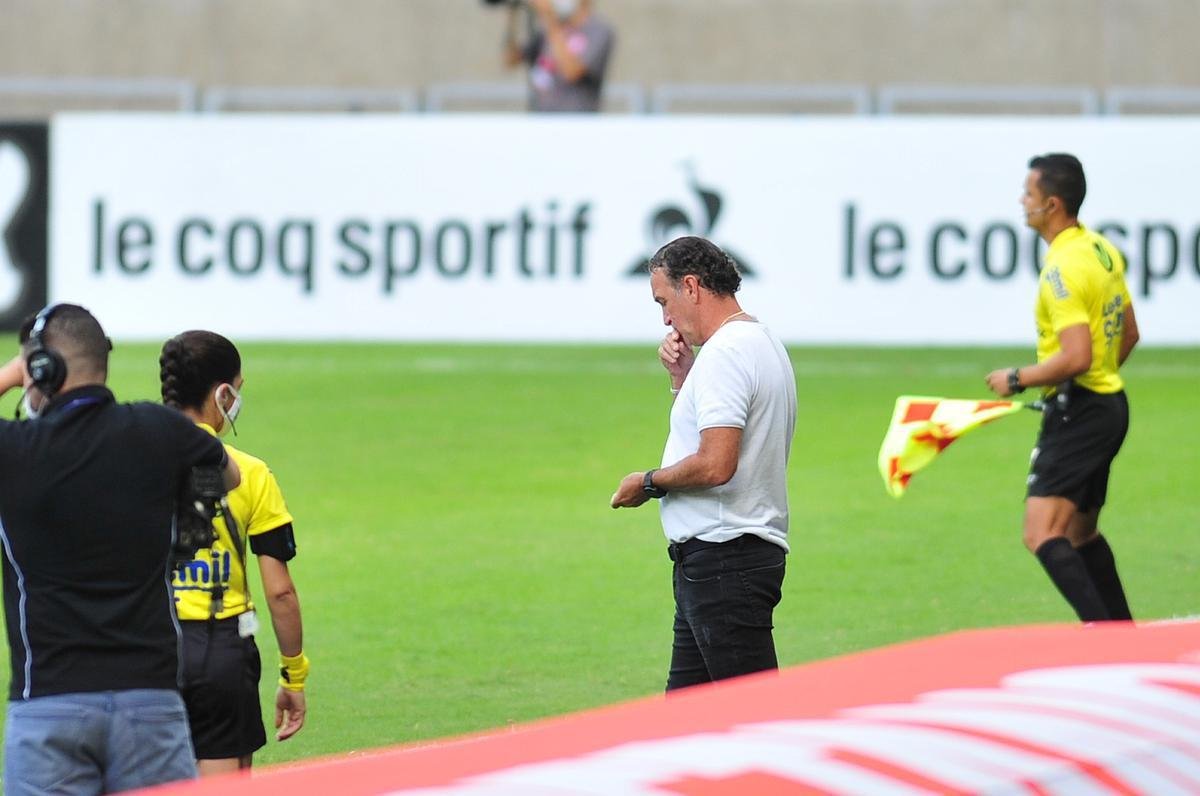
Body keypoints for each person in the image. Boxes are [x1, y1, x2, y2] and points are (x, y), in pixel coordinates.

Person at [0, 303, 238, 794]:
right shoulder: (158, 431)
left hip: (49, 702)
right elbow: (228, 475)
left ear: (41, 370)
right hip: (149, 701)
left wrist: (11, 373)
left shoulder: (15, 449)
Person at [611, 236, 797, 691]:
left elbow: (717, 464)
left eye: (664, 301)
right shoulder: (760, 341)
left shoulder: (726, 354)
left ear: (691, 286)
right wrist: (683, 379)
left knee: (752, 717)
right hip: (728, 557)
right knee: (688, 725)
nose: (665, 318)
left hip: (723, 559)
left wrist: (649, 482)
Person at [985, 153, 1140, 623]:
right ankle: (1125, 635)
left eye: (1028, 195)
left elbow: (1077, 357)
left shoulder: (1062, 269)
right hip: (1110, 406)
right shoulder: (1099, 248)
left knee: (1042, 533)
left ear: (1051, 204)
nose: (1021, 201)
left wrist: (1018, 378)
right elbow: (1129, 333)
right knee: (1079, 534)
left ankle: (1103, 639)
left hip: (1081, 412)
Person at [159, 330, 308, 775]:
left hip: (146, 644)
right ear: (223, 393)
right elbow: (280, 593)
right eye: (238, 391)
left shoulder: (128, 461)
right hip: (221, 648)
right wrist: (293, 675)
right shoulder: (252, 474)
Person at [503, 0, 615, 112]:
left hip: (576, 120)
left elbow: (572, 72)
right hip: (540, 117)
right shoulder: (547, 30)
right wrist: (512, 17)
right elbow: (511, 60)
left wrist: (549, 17)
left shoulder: (599, 30)